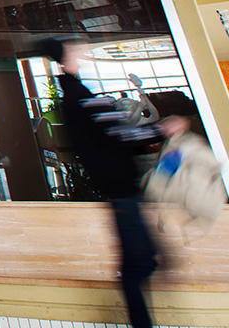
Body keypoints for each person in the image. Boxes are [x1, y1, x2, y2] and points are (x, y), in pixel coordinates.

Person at [39, 37, 160, 328]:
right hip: (120, 190)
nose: (81, 55)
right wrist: (161, 129)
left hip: (120, 189)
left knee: (142, 261)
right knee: (138, 265)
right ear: (66, 58)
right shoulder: (80, 97)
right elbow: (117, 134)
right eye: (75, 51)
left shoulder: (77, 94)